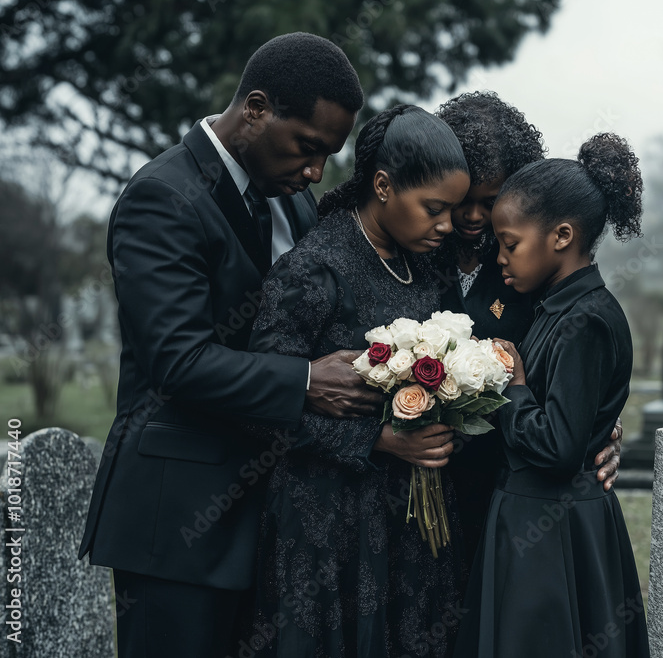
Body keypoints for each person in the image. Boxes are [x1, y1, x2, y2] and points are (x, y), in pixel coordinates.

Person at [78, 33, 382, 658]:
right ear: (256, 109)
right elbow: (177, 360)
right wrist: (304, 381)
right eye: (307, 147)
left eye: (328, 155)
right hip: (176, 524)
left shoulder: (293, 200)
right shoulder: (162, 197)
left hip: (270, 519)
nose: (315, 173)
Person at [247, 104, 471, 657]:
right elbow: (260, 408)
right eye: (434, 209)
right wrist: (381, 439)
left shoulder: (432, 266)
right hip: (327, 525)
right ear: (383, 185)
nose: (446, 225)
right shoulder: (315, 269)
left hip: (415, 526)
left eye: (452, 211)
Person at [454, 133, 650, 658]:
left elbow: (561, 449)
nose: (499, 258)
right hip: (530, 514)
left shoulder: (584, 320)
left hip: (553, 527)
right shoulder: (555, 308)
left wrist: (513, 388)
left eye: (509, 243)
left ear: (561, 235)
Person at [434, 91, 622, 564]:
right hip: (418, 481)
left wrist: (599, 427)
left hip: (510, 486)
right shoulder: (416, 248)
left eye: (490, 200)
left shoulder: (533, 267)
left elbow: (574, 357)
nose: (475, 216)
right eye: (463, 199)